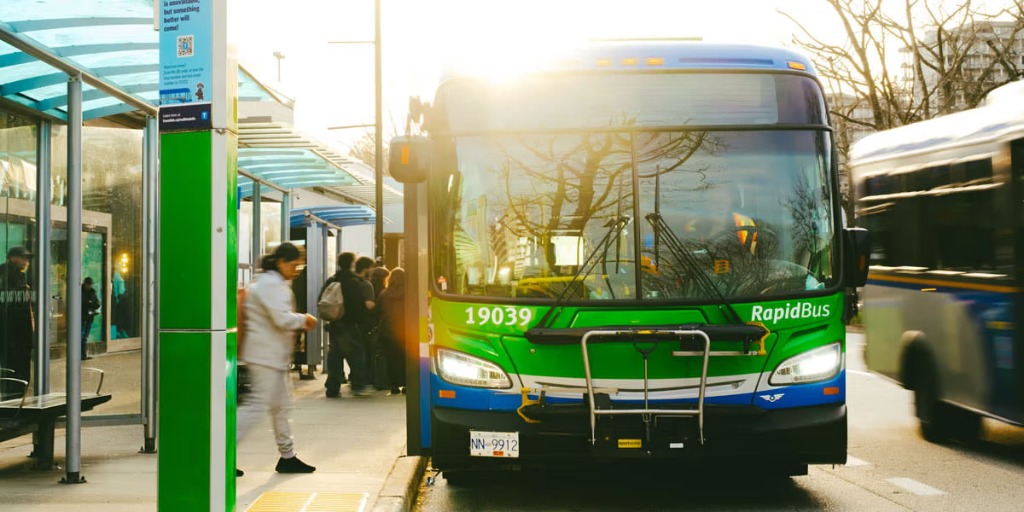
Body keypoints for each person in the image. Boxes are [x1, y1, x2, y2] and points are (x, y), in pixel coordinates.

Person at [236, 242, 318, 476]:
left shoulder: (268, 282)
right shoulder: (270, 285)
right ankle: (219, 454)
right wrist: (305, 319)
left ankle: (287, 456)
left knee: (281, 407)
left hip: (271, 356)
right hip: (266, 357)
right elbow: (281, 319)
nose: (296, 270)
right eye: (294, 265)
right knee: (256, 407)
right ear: (281, 262)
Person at [322, 252, 375, 397]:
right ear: (352, 264)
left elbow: (323, 299)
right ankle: (359, 385)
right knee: (357, 356)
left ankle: (332, 388)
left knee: (335, 357)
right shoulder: (353, 282)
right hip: (349, 325)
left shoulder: (331, 280)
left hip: (334, 324)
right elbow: (357, 306)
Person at [683, 184, 759, 254]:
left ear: (731, 201)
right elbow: (690, 252)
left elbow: (754, 253)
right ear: (706, 203)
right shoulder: (694, 225)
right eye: (714, 201)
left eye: (723, 200)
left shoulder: (745, 222)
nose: (719, 206)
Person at [0, 246, 34, 399]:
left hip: (20, 334)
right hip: (12, 333)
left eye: (27, 258)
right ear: (12, 258)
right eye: (23, 258)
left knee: (20, 371)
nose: (26, 261)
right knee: (15, 372)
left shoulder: (21, 277)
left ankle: (17, 398)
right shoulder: (7, 275)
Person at [377, 268, 407, 395]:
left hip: (388, 329)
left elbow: (378, 311)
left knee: (391, 358)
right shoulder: (409, 293)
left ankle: (393, 385)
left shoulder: (384, 294)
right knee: (406, 357)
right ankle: (406, 384)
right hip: (406, 329)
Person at [81, 277, 101, 360]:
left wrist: (91, 303)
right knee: (81, 336)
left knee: (85, 336)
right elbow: (82, 303)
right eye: (88, 284)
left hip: (89, 317)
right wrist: (89, 303)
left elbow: (97, 303)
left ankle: (83, 355)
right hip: (82, 317)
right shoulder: (81, 291)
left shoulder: (92, 292)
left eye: (90, 284)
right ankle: (81, 354)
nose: (89, 286)